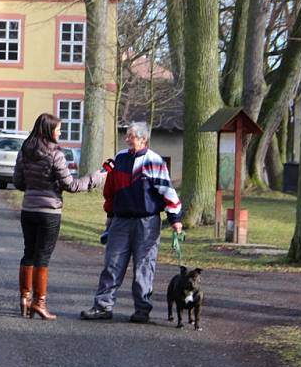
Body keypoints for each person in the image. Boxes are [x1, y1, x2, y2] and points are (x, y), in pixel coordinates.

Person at [80, 121, 183, 323]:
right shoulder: (120, 158)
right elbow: (110, 189)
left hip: (147, 222)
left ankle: (142, 310)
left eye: (131, 136)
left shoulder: (154, 161)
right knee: (112, 264)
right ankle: (102, 306)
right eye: (127, 135)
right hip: (120, 221)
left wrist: (175, 219)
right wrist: (109, 216)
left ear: (143, 139)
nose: (127, 139)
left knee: (144, 267)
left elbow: (167, 191)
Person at [13, 113, 105, 320]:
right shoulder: (56, 154)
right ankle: (39, 302)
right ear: (49, 130)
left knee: (28, 253)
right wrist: (96, 178)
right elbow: (71, 185)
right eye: (58, 129)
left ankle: (24, 298)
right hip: (49, 212)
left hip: (28, 209)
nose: (60, 132)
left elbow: (18, 182)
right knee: (43, 257)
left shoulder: (25, 151)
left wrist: (34, 185)